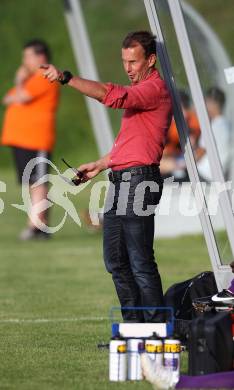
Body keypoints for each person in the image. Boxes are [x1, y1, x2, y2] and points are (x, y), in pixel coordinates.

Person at [41, 31, 173, 322]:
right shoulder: (141, 93)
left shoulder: (154, 90)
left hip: (140, 181)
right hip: (121, 180)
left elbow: (112, 95)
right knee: (115, 260)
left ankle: (157, 329)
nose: (128, 68)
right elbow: (132, 144)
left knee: (139, 261)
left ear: (151, 60)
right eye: (124, 61)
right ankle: (134, 327)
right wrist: (100, 164)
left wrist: (66, 78)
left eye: (134, 62)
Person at [1, 39, 60, 239]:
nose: (24, 61)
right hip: (22, 140)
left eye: (27, 56)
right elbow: (8, 98)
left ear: (40, 57)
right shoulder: (31, 78)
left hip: (36, 139)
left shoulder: (44, 76)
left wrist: (19, 81)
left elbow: (22, 97)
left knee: (38, 182)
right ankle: (38, 224)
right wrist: (19, 87)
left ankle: (37, 226)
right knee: (31, 183)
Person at [160, 89, 200, 180]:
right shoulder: (163, 128)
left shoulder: (193, 122)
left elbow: (200, 149)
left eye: (185, 108)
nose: (185, 115)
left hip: (186, 168)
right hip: (168, 171)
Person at [196, 87, 230, 181]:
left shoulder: (213, 126)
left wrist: (180, 163)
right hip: (215, 176)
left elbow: (199, 154)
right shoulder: (226, 125)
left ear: (212, 104)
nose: (205, 106)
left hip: (204, 175)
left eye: (206, 102)